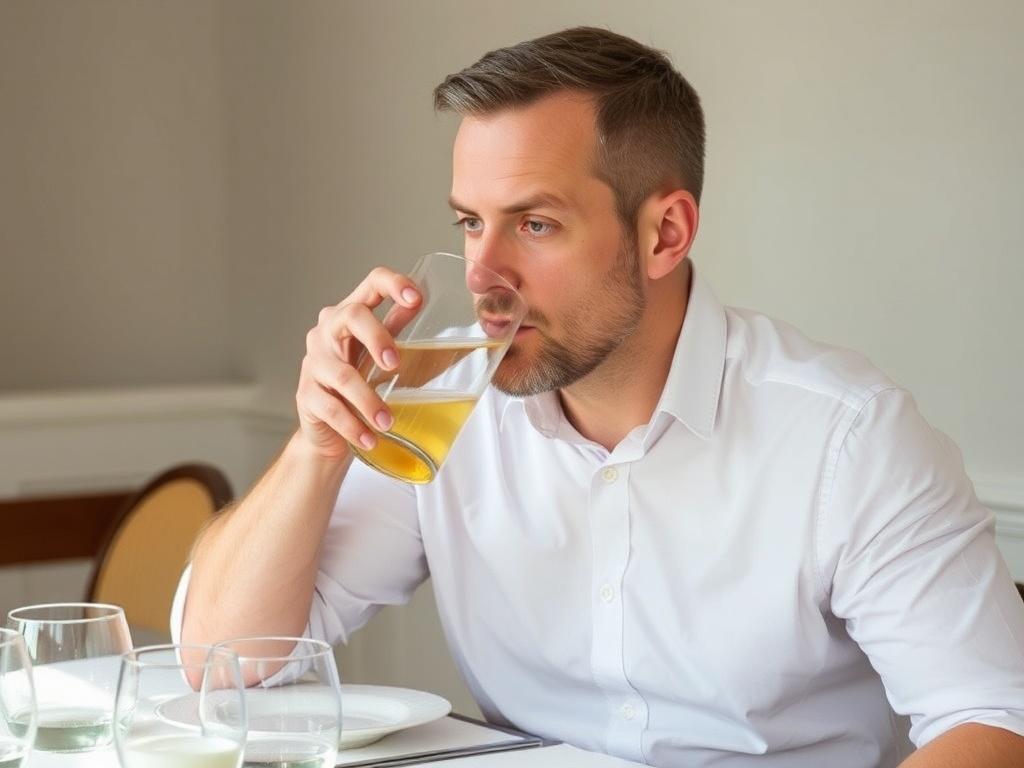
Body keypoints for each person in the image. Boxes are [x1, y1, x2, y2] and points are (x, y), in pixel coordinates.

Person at [173, 27, 1024, 767]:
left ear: (665, 233)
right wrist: (316, 446)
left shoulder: (849, 440)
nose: (482, 274)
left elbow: (994, 723)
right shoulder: (446, 412)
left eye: (534, 225)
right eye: (471, 221)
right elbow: (226, 662)